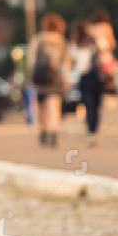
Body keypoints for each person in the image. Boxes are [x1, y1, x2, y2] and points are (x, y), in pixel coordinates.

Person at [29, 13, 69, 147]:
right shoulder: (61, 41)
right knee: (54, 106)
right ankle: (54, 132)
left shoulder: (39, 39)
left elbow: (32, 59)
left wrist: (30, 75)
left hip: (40, 77)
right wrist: (65, 78)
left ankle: (43, 130)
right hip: (55, 78)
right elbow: (65, 63)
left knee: (42, 107)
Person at [71, 20, 106, 144]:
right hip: (96, 78)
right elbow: (104, 54)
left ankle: (92, 132)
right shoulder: (94, 42)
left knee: (89, 106)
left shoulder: (76, 45)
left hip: (85, 78)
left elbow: (75, 64)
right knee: (96, 106)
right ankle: (94, 131)